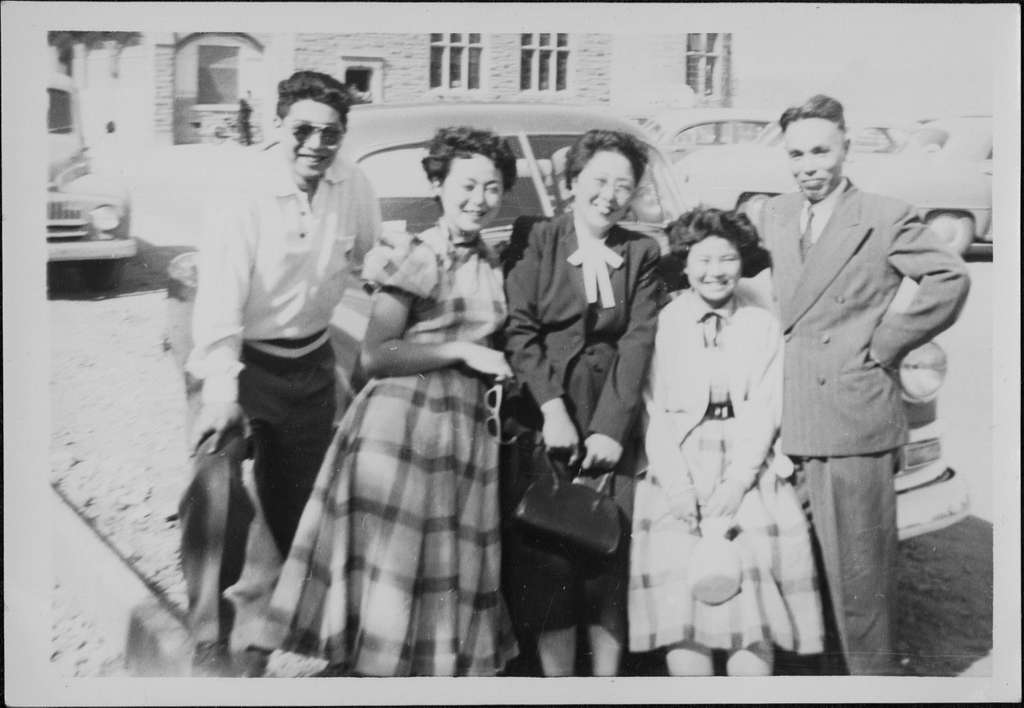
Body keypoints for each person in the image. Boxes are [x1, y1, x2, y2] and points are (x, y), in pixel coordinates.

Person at [256, 126, 520, 677]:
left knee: (438, 566)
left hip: (463, 432)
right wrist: (462, 352)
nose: (479, 200)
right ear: (438, 184)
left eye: (492, 188)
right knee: (393, 568)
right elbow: (374, 355)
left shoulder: (490, 258)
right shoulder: (421, 254)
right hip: (403, 429)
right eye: (467, 185)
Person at [758, 94, 970, 675]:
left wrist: (885, 342)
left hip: (853, 423)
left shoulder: (882, 214)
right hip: (788, 421)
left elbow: (949, 277)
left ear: (846, 147)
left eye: (821, 150)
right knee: (800, 581)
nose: (809, 164)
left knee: (862, 589)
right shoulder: (776, 213)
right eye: (797, 153)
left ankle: (873, 685)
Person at [182, 70, 382, 676]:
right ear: (278, 128)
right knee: (215, 488)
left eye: (331, 133)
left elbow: (368, 255)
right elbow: (219, 299)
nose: (316, 144)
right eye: (303, 129)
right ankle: (208, 639)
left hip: (309, 362)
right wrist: (221, 392)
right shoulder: (241, 194)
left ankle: (267, 635)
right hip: (238, 358)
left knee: (296, 506)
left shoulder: (354, 185)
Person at [628, 207, 824, 676]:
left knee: (749, 605)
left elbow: (765, 407)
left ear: (742, 262)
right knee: (684, 614)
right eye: (703, 260)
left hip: (746, 464)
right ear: (686, 263)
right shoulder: (666, 323)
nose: (715, 272)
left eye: (727, 259)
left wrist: (738, 482)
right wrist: (676, 486)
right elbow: (653, 411)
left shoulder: (760, 324)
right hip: (678, 464)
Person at [501, 129, 663, 677]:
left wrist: (611, 428)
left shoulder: (641, 251)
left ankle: (605, 686)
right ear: (573, 183)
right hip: (545, 412)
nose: (611, 195)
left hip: (608, 412)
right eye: (599, 181)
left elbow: (638, 339)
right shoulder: (537, 237)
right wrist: (550, 409)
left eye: (624, 185)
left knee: (607, 555)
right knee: (549, 555)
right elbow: (519, 329)